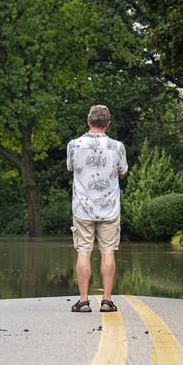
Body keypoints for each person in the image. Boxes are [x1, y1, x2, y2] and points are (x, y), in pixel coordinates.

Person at [66, 105, 128, 313]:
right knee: (108, 251)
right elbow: (123, 172)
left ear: (88, 120)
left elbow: (71, 168)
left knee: (83, 251)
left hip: (83, 208)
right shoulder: (117, 146)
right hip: (109, 208)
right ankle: (106, 300)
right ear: (108, 123)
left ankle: (83, 301)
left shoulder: (74, 145)